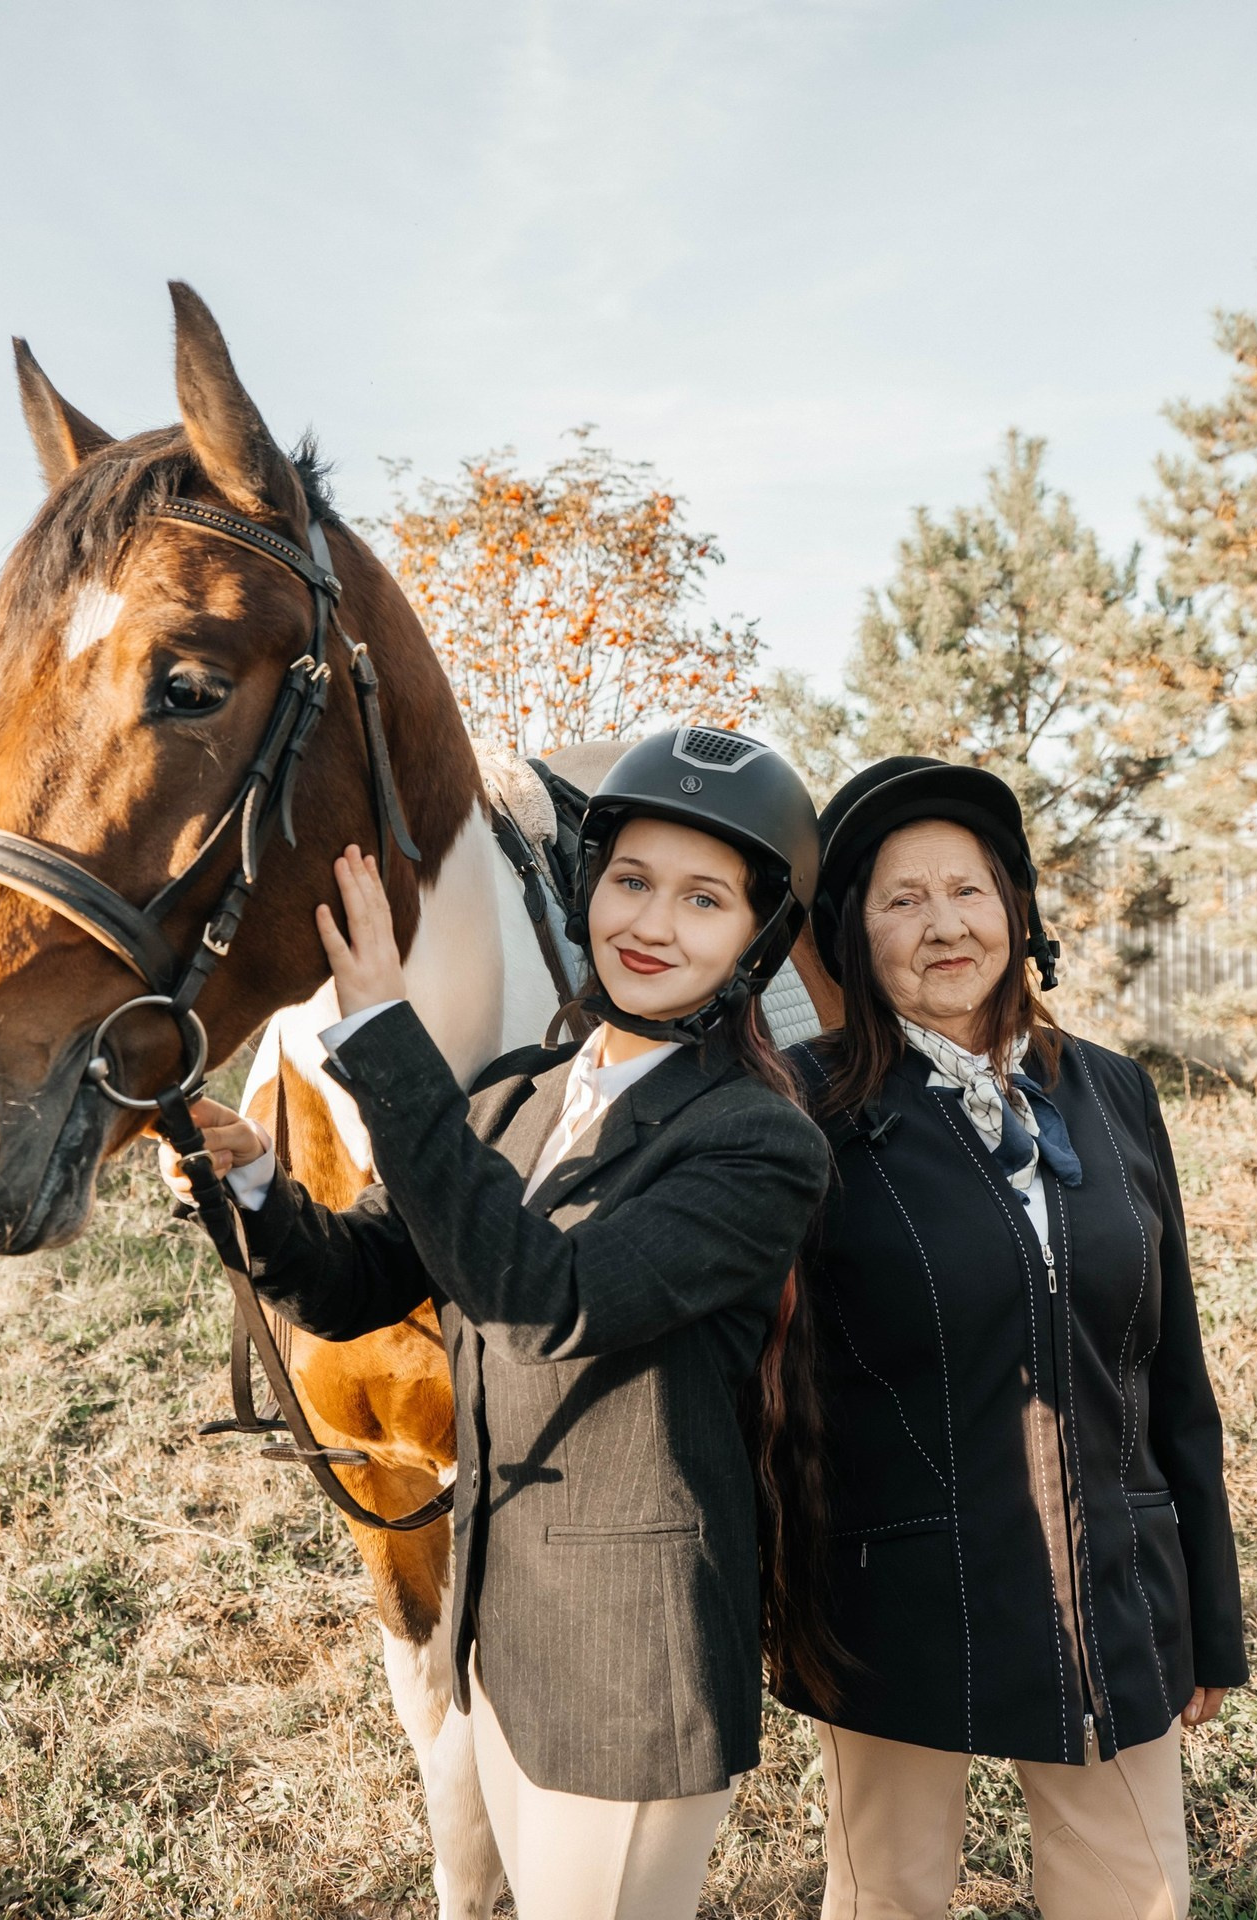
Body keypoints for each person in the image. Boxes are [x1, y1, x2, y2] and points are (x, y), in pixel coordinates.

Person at [161, 727, 831, 1920]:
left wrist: (382, 1036)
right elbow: (366, 1277)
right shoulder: (519, 1092)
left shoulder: (757, 1141)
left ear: (754, 940)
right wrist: (257, 1185)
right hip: (505, 1655)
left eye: (702, 899)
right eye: (629, 880)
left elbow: (543, 1303)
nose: (651, 923)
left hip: (627, 1679)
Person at [776, 756, 1247, 1920]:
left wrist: (1208, 1616)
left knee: (1135, 1897)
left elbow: (1171, 1374)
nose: (943, 925)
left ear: (1016, 911)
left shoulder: (1116, 1094)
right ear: (852, 934)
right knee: (883, 1897)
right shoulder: (802, 1109)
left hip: (1115, 1587)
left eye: (967, 889)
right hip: (889, 1600)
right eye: (900, 899)